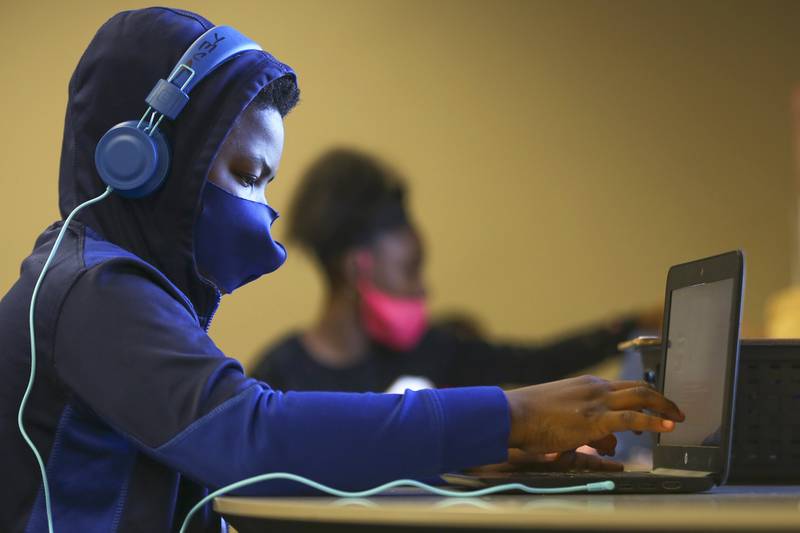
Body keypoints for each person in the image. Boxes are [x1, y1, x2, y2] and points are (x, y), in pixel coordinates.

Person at [0, 8, 683, 533]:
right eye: (247, 175)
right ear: (138, 159)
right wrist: (511, 415)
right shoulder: (93, 287)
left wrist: (466, 458)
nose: (263, 212)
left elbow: (224, 477)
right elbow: (252, 440)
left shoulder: (122, 286)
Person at [252, 148, 658, 393]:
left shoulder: (435, 353)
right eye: (410, 269)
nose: (423, 287)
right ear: (357, 266)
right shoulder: (278, 377)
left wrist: (632, 327)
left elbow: (536, 364)